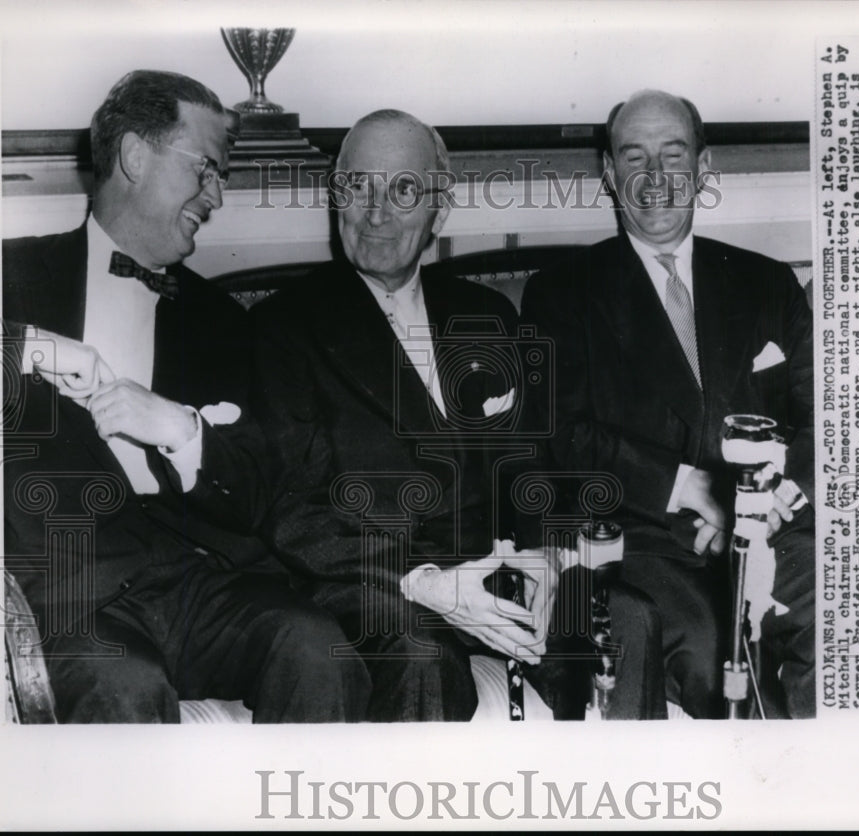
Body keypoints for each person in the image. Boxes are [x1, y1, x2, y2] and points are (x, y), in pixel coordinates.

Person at [251, 109, 666, 722]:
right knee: (422, 656)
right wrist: (428, 584)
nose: (375, 211)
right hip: (378, 584)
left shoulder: (485, 313)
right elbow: (292, 512)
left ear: (439, 211)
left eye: (403, 190)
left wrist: (549, 559)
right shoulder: (281, 328)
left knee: (623, 618)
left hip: (494, 567)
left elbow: (534, 465)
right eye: (357, 186)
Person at [2, 70, 370, 723]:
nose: (218, 195)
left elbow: (265, 485)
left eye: (221, 176)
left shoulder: (221, 319)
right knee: (126, 689)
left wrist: (183, 432)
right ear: (135, 156)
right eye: (205, 169)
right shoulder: (11, 275)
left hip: (195, 584)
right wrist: (35, 347)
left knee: (319, 650)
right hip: (70, 596)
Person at [520, 89, 815, 719]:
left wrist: (772, 503)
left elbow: (824, 416)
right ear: (608, 173)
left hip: (778, 532)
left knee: (854, 612)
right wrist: (692, 486)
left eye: (673, 156)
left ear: (703, 169)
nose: (655, 179)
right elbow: (564, 436)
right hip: (654, 544)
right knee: (720, 662)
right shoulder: (562, 295)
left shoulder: (766, 282)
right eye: (634, 158)